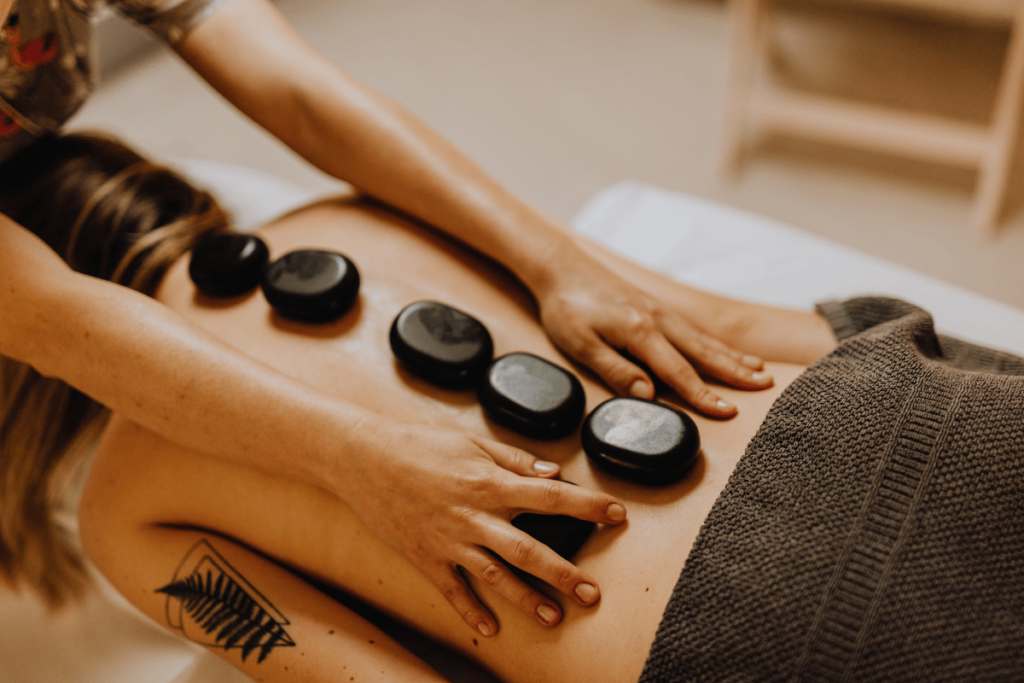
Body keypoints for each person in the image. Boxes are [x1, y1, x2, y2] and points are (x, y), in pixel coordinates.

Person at [14, 135, 1024, 682]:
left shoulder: (125, 507)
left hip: (757, 623)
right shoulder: (358, 209)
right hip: (904, 414)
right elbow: (720, 321)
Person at [0, 0, 776, 635]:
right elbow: (56, 320)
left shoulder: (123, 517)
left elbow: (299, 91)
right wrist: (359, 458)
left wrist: (558, 264)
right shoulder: (125, 512)